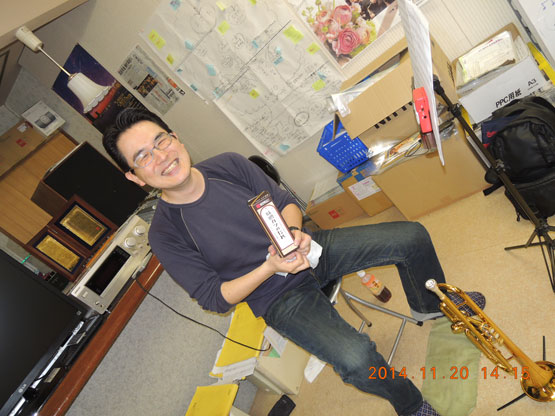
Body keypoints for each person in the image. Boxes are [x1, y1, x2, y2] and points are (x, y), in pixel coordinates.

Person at [103, 108, 485, 416]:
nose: (161, 157)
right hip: (277, 297)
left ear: (176, 138)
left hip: (309, 250)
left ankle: (432, 306)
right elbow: (215, 298)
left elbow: (284, 201)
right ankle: (411, 405)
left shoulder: (228, 165)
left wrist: (294, 233)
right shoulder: (165, 233)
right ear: (135, 177)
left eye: (161, 141)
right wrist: (270, 267)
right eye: (143, 156)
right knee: (357, 359)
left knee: (411, 236)